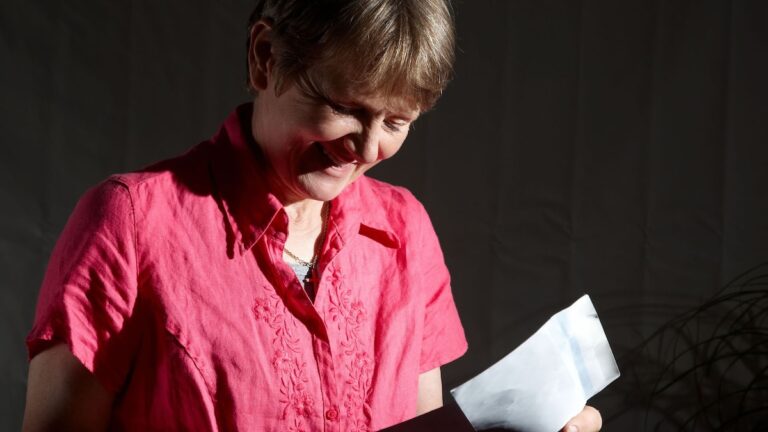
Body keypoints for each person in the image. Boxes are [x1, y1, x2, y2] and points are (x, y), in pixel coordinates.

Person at [23, 1, 602, 431]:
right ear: (264, 57)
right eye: (345, 107)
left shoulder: (406, 232)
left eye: (397, 122)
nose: (368, 147)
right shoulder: (130, 221)